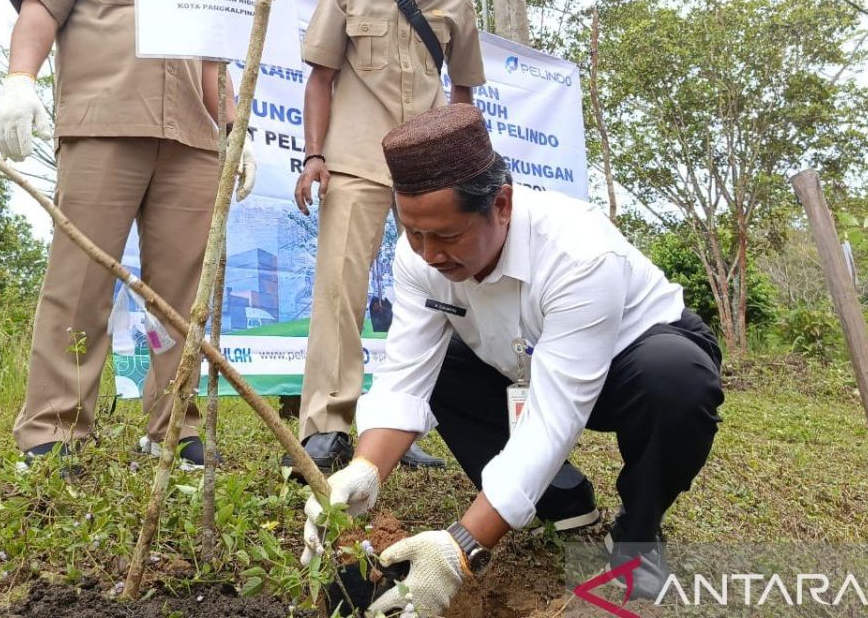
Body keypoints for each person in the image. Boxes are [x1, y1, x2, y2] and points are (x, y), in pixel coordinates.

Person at [301, 105, 725, 614]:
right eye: (414, 233)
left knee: (676, 382)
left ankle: (639, 531)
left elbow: (553, 416)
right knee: (446, 367)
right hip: (519, 362)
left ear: (501, 204)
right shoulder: (418, 257)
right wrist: (365, 469)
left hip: (631, 365)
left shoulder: (579, 252)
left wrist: (459, 548)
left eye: (447, 236)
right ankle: (561, 501)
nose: (430, 254)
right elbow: (406, 375)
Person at [0, 0, 253, 468]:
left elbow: (211, 64)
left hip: (190, 143)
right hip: (105, 129)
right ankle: (55, 432)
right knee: (80, 282)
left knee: (180, 298)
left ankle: (173, 430)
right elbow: (39, 10)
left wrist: (233, 131)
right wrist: (20, 80)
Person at [285, 0, 487, 474]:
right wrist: (314, 156)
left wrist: (467, 169)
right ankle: (325, 426)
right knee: (340, 293)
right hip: (354, 162)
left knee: (432, 300)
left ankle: (401, 422)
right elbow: (320, 78)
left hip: (429, 175)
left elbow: (463, 96)